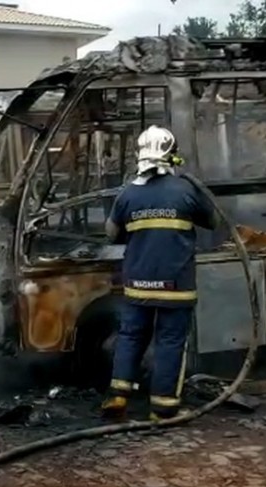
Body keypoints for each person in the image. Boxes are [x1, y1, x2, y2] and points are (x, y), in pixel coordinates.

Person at [101, 125, 218, 422]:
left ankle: (118, 394)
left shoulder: (128, 192)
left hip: (137, 283)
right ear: (173, 156)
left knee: (130, 336)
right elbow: (213, 221)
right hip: (175, 284)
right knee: (170, 342)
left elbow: (111, 233)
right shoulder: (186, 189)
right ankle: (163, 409)